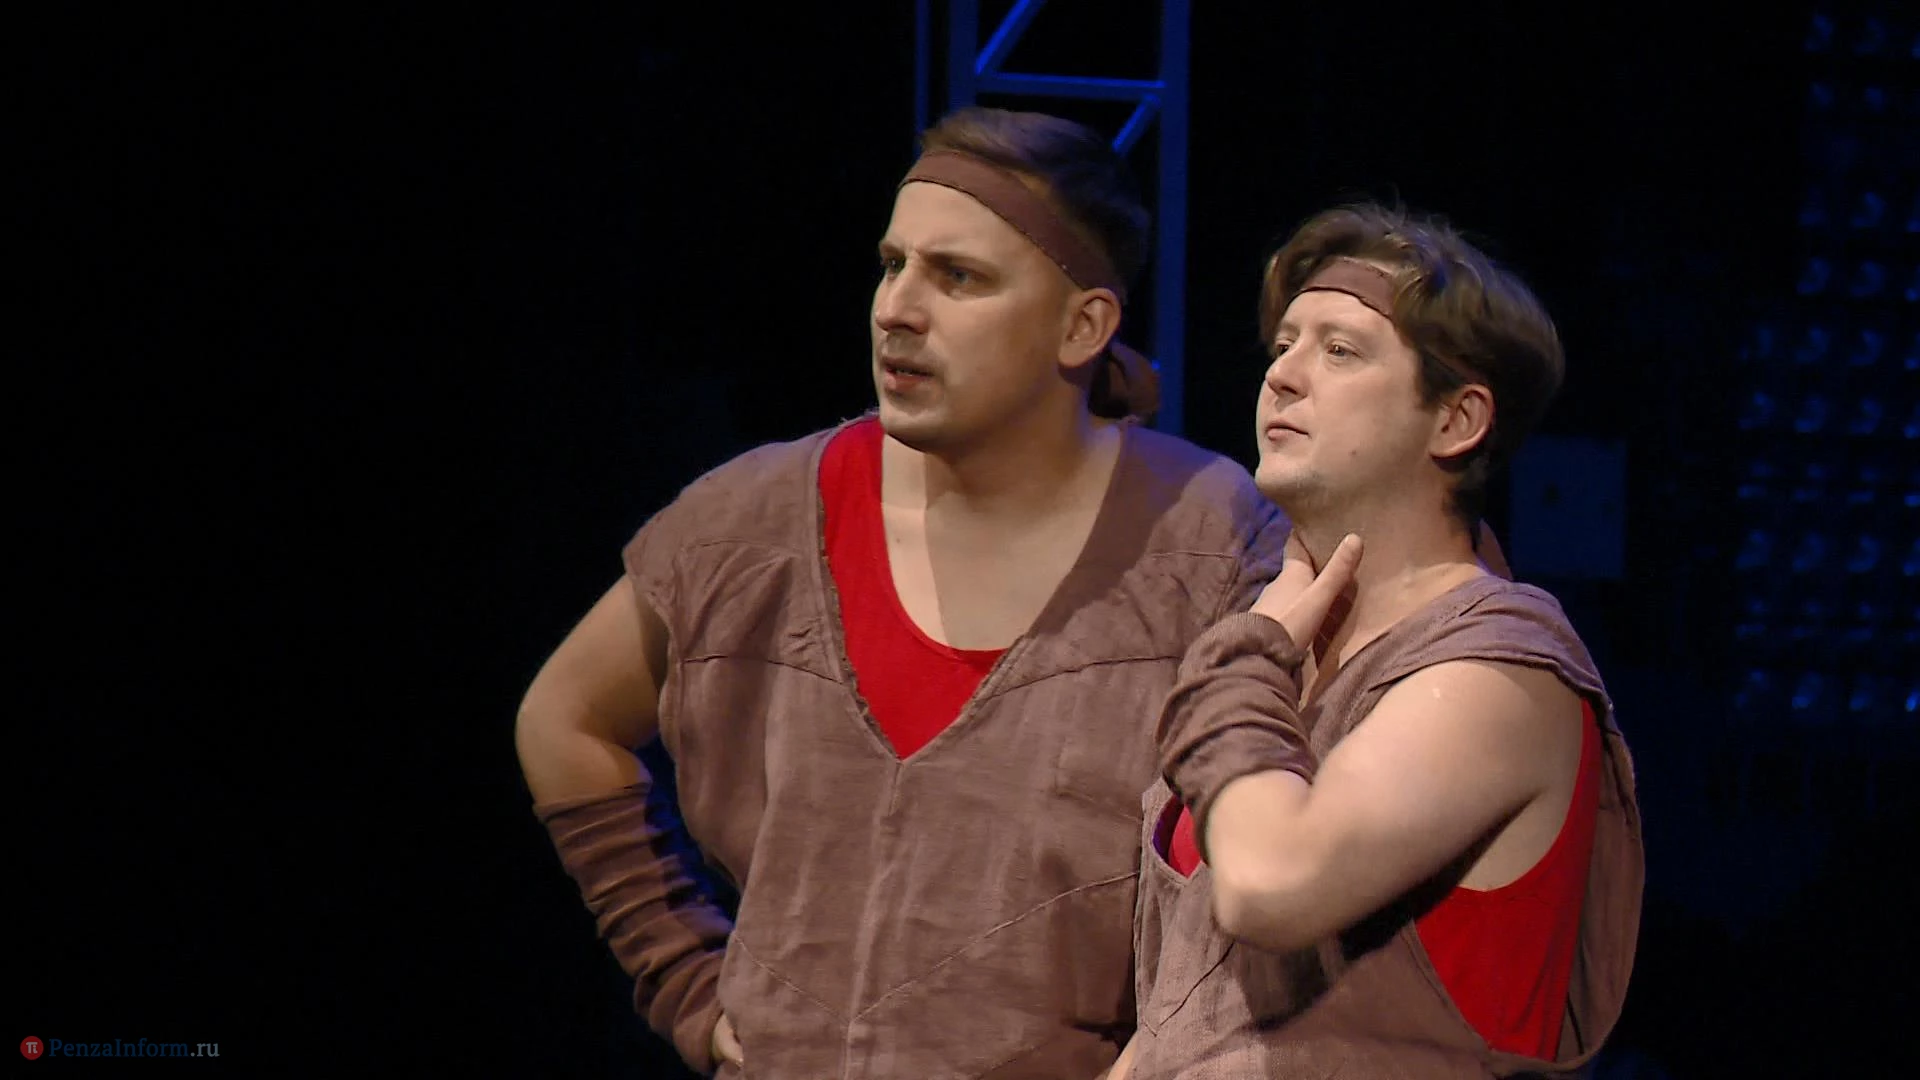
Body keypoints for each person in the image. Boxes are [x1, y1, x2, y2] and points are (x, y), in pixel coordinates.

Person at [514, 105, 1293, 1079]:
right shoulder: (753, 523)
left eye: (957, 277)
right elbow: (564, 720)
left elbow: (1284, 845)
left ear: (1082, 325)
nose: (897, 309)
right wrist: (680, 974)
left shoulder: (1206, 540)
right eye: (893, 266)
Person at [1113, 204, 1644, 1078]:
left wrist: (1241, 661)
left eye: (1340, 351)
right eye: (1283, 345)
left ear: (1457, 420)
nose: (1283, 376)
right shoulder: (1283, 662)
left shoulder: (1500, 666)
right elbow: (1187, 1020)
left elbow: (1272, 883)